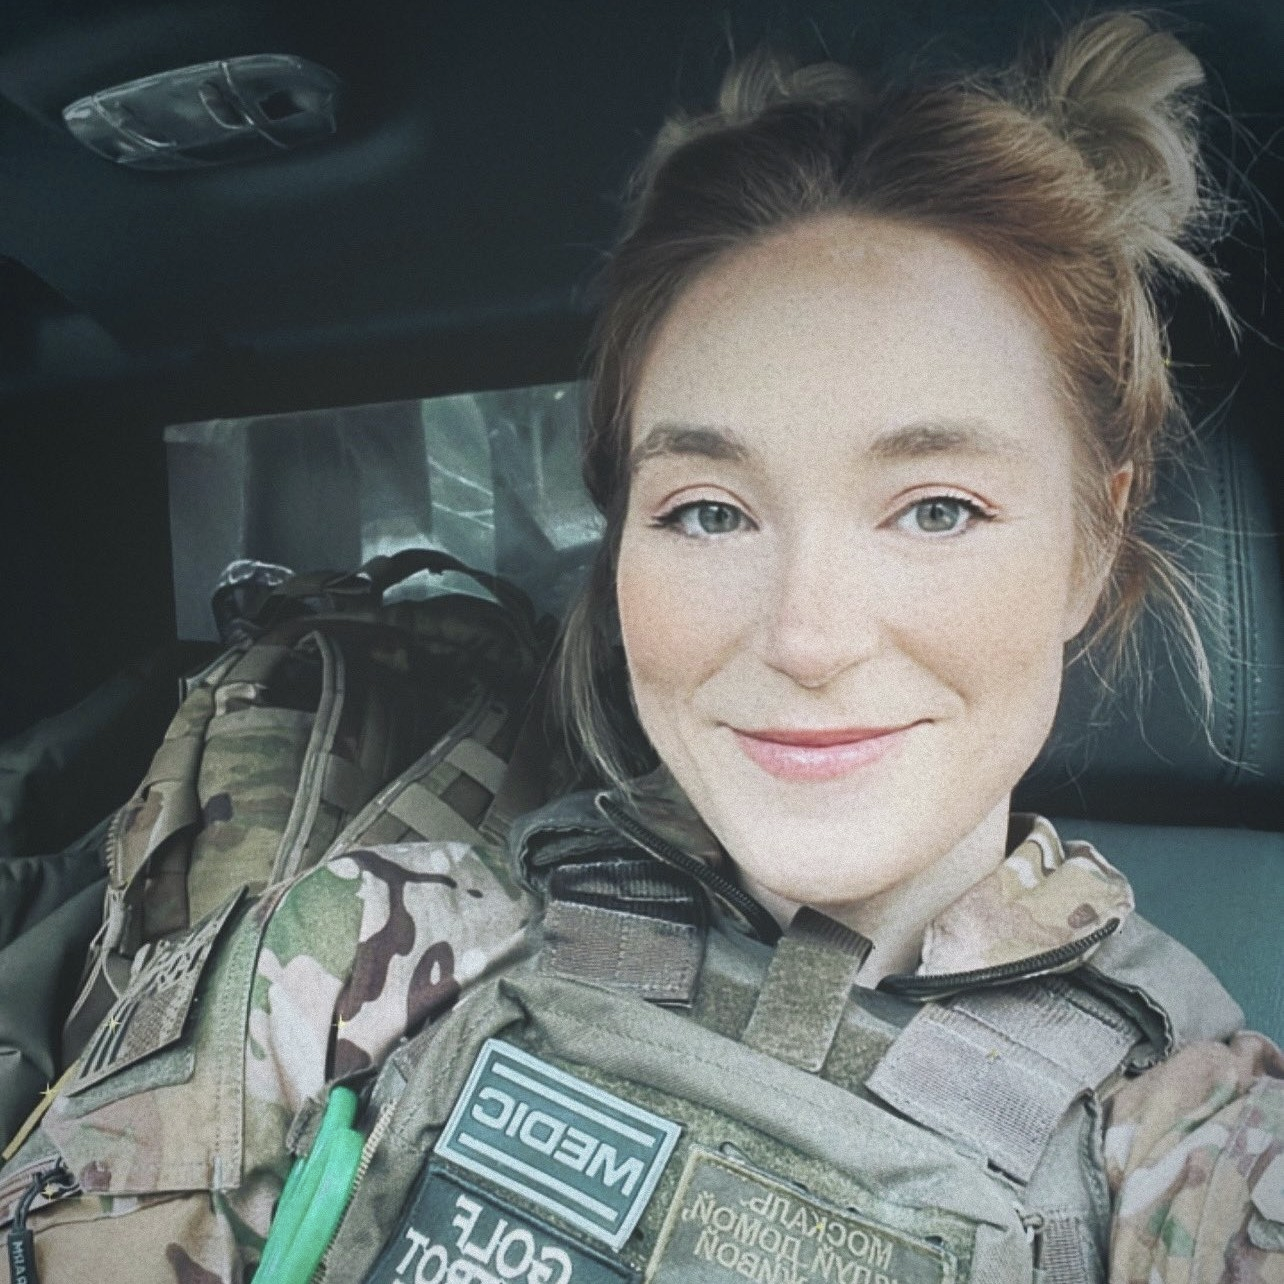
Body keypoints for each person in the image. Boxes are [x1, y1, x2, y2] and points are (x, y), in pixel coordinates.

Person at [0, 11, 1279, 1284]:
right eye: (709, 513)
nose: (807, 638)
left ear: (1091, 546)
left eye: (937, 508)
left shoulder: (1194, 1157)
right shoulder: (368, 952)